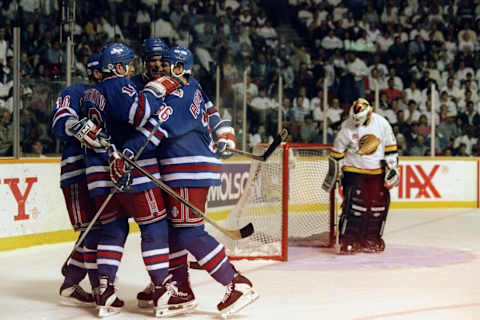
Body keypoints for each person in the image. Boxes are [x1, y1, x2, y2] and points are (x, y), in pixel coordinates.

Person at [133, 46, 259, 318]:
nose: (162, 71)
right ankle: (180, 287)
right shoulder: (192, 87)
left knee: (190, 232)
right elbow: (212, 113)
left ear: (179, 68)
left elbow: (152, 134)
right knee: (177, 231)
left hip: (186, 168)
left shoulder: (174, 97)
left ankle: (236, 284)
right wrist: (225, 132)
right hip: (188, 167)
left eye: (168, 66)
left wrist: (126, 154)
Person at [82, 43, 190, 317]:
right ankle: (162, 288)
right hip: (135, 170)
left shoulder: (91, 93)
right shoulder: (119, 85)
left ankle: (105, 289)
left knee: (114, 231)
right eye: (128, 65)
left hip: (108, 170)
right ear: (118, 67)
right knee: (154, 228)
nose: (131, 70)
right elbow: (137, 114)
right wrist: (157, 90)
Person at [50, 53, 104, 306]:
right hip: (76, 172)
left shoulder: (112, 96)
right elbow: (60, 120)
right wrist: (78, 126)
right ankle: (97, 289)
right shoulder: (76, 91)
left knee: (97, 231)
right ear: (96, 72)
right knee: (92, 231)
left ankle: (72, 281)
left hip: (98, 174)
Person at [321, 98, 399, 254]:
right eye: (354, 119)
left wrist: (392, 168)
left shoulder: (382, 123)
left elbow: (390, 148)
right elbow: (336, 154)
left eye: (359, 119)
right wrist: (335, 174)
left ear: (368, 113)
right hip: (354, 171)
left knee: (378, 207)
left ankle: (371, 238)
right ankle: (349, 239)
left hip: (377, 172)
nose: (356, 122)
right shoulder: (346, 127)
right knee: (355, 207)